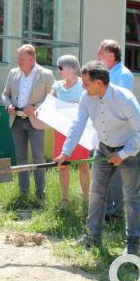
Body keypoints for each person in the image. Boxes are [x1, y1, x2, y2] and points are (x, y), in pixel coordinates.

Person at [56, 61, 140, 257]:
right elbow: (77, 125)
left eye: (86, 82)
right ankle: (92, 235)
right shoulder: (86, 97)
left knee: (131, 196)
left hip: (130, 148)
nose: (83, 86)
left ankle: (133, 244)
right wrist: (66, 152)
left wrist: (122, 155)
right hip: (104, 147)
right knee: (96, 192)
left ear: (99, 83)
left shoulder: (124, 98)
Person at [2, 44, 55, 204]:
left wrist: (37, 108)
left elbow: (52, 97)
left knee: (38, 156)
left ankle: (40, 194)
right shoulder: (13, 73)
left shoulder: (45, 74)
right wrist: (8, 105)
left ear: (32, 59)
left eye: (22, 58)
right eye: (18, 58)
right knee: (21, 157)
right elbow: (5, 94)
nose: (19, 61)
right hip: (16, 120)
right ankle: (23, 193)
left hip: (36, 122)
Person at [97, 39, 135, 221]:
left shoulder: (123, 75)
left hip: (120, 132)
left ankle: (117, 213)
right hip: (106, 131)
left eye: (101, 53)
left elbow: (122, 103)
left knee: (118, 175)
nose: (98, 56)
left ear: (111, 56)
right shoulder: (107, 73)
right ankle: (109, 211)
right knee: (107, 174)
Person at [50, 54, 90, 207]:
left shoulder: (83, 84)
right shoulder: (57, 86)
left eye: (61, 67)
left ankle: (86, 198)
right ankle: (65, 200)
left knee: (83, 164)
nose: (59, 71)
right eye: (58, 67)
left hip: (81, 131)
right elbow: (50, 103)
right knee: (63, 164)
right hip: (61, 130)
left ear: (72, 68)